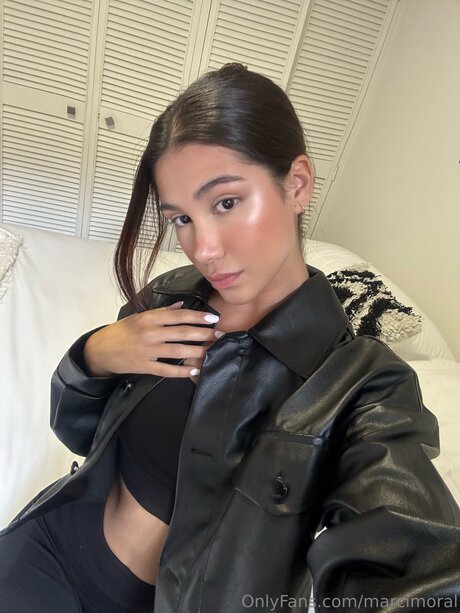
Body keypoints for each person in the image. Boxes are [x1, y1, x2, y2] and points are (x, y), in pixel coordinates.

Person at [0, 63, 459, 613]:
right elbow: (77, 432)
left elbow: (412, 564)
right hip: (47, 545)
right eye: (181, 219)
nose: (204, 248)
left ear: (296, 184)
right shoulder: (171, 294)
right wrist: (95, 353)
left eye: (225, 203)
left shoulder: (361, 385)